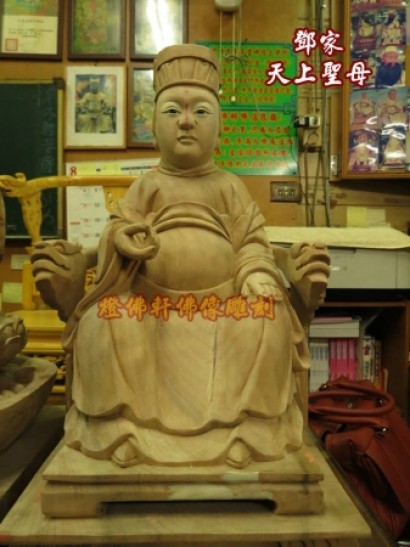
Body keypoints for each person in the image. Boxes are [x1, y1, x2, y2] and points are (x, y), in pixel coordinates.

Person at [31, 44, 330, 469]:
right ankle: (122, 430)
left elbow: (251, 242)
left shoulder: (229, 186)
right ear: (155, 129)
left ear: (219, 130)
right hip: (148, 306)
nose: (186, 121)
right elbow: (115, 233)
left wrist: (257, 274)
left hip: (223, 308)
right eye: (172, 111)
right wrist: (122, 241)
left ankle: (248, 432)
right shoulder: (146, 186)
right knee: (103, 322)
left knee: (268, 319)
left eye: (201, 112)